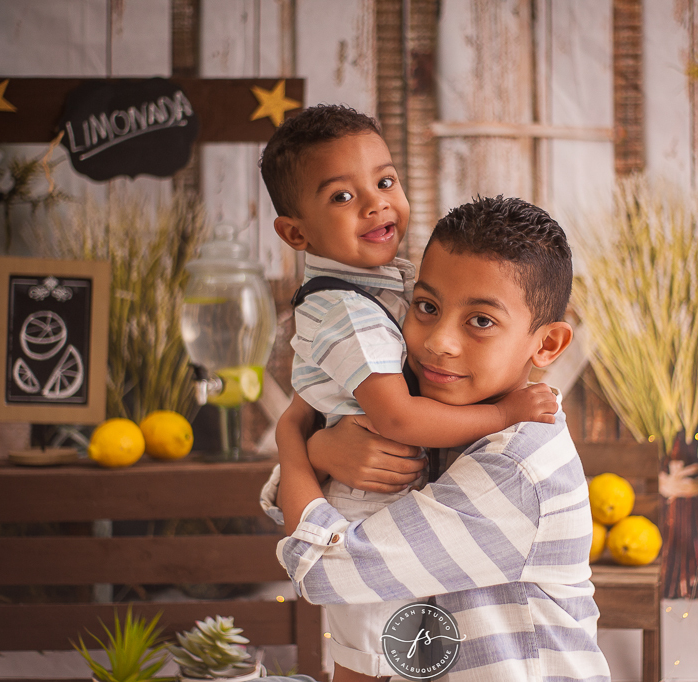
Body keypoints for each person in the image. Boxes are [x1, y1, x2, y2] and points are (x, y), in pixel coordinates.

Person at [260, 106, 559, 682]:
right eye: (342, 197)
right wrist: (501, 412)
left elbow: (310, 413)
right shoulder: (346, 309)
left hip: (382, 485)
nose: (376, 203)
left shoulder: (378, 282)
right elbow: (396, 417)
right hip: (371, 503)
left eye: (385, 181)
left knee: (404, 656)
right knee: (374, 660)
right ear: (296, 232)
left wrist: (307, 444)